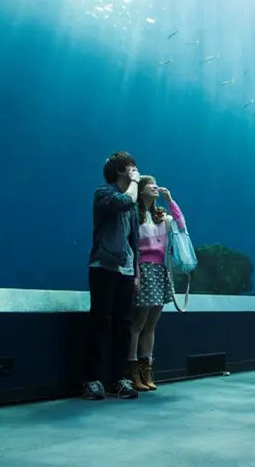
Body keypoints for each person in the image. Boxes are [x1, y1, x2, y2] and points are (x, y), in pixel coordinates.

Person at [83, 151, 141, 400]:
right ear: (120, 170)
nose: (135, 170)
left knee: (123, 326)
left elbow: (133, 240)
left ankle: (119, 378)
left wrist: (136, 272)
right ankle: (92, 379)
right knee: (101, 322)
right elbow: (123, 202)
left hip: (126, 271)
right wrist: (137, 183)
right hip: (103, 267)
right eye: (131, 167)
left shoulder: (133, 204)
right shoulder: (103, 194)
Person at [128, 175, 187, 392]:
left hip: (159, 270)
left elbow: (181, 225)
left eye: (155, 183)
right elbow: (132, 247)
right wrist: (135, 274)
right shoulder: (135, 215)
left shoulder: (161, 216)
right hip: (142, 269)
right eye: (149, 184)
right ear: (141, 190)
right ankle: (132, 369)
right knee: (138, 322)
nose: (155, 186)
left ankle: (146, 370)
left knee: (152, 323)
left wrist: (170, 201)